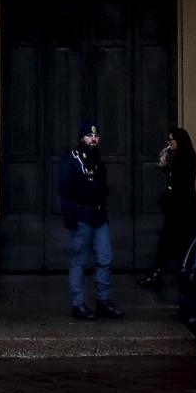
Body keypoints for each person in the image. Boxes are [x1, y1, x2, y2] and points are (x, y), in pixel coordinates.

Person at [56, 122, 121, 320]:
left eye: (96, 136)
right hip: (81, 216)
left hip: (98, 217)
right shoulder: (72, 159)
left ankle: (103, 301)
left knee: (105, 258)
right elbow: (65, 190)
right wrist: (70, 217)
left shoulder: (96, 159)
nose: (93, 139)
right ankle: (78, 305)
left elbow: (101, 187)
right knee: (79, 262)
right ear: (81, 138)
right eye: (89, 136)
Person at [148, 124, 196, 295]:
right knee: (171, 239)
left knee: (181, 240)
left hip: (183, 206)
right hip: (177, 206)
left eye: (171, 140)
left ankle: (183, 272)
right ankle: (161, 271)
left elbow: (179, 178)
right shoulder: (179, 156)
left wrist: (166, 163)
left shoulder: (186, 157)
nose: (169, 143)